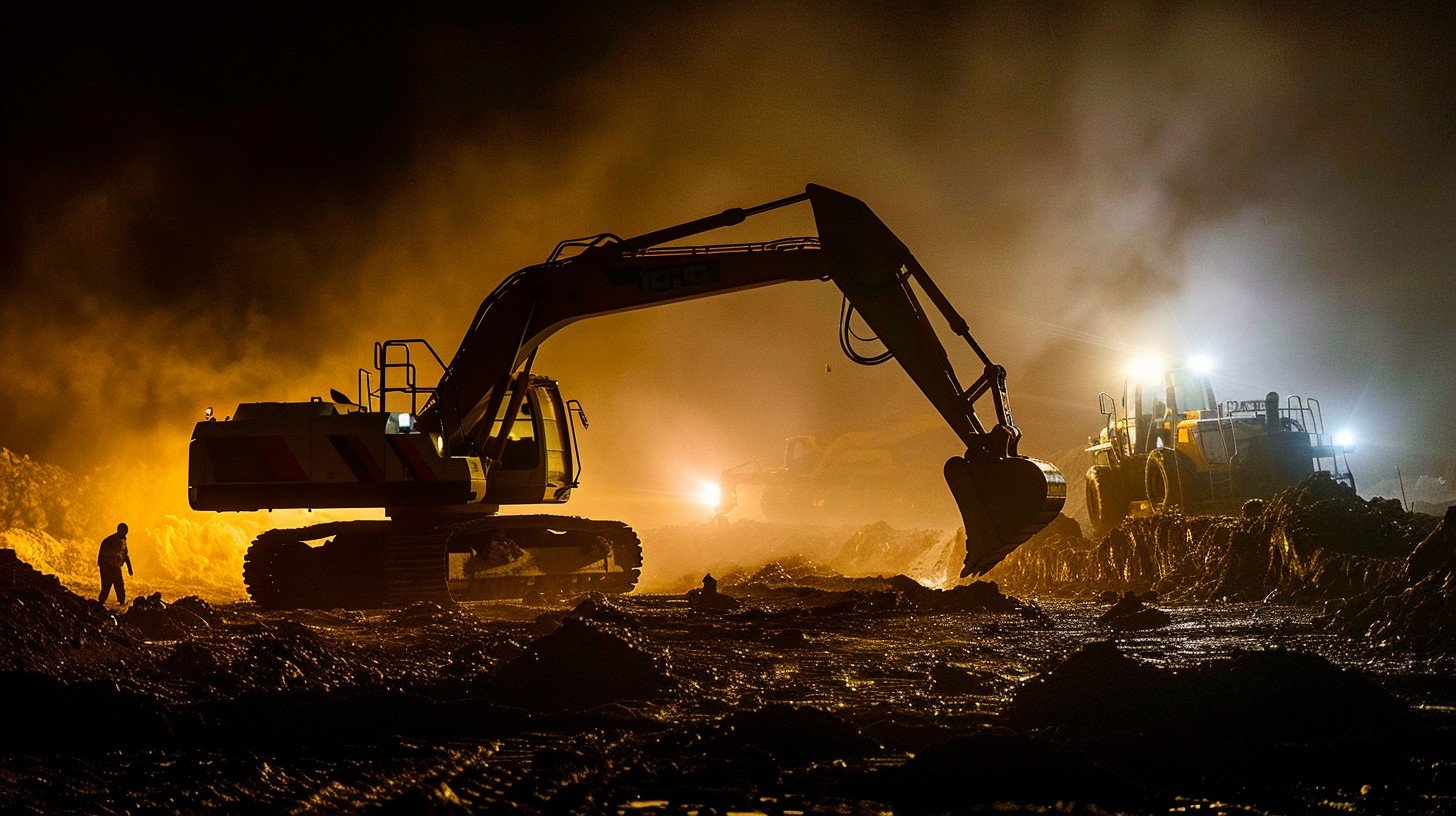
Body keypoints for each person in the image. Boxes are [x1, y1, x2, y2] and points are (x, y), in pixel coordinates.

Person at [97, 522, 133, 605]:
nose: (125, 534)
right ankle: (99, 606)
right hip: (107, 567)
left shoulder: (123, 540)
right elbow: (104, 555)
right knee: (106, 589)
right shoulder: (110, 540)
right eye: (123, 531)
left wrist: (129, 568)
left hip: (115, 567)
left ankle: (122, 609)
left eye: (126, 532)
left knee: (120, 589)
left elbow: (125, 555)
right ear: (118, 530)